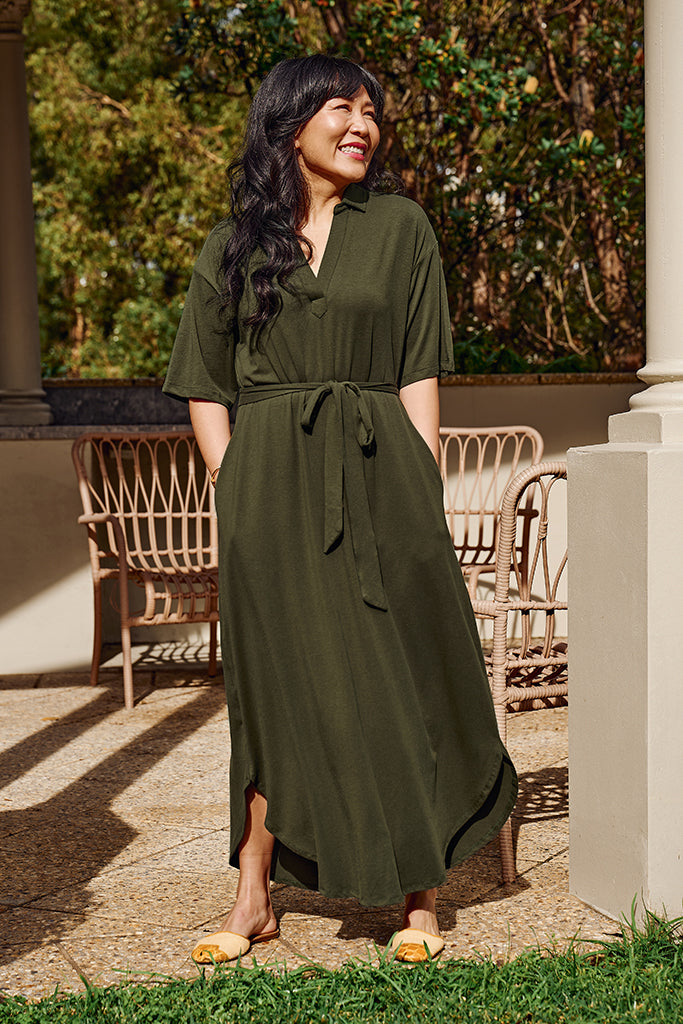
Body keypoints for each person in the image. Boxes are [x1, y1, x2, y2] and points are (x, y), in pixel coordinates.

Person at [163, 54, 517, 965]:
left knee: (405, 673)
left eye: (371, 111)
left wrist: (421, 489)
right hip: (267, 487)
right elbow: (204, 382)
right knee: (272, 688)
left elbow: (418, 370)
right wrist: (232, 482)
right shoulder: (233, 244)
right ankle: (253, 895)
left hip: (382, 472)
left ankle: (420, 896)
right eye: (340, 107)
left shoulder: (399, 227)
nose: (362, 125)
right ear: (286, 123)